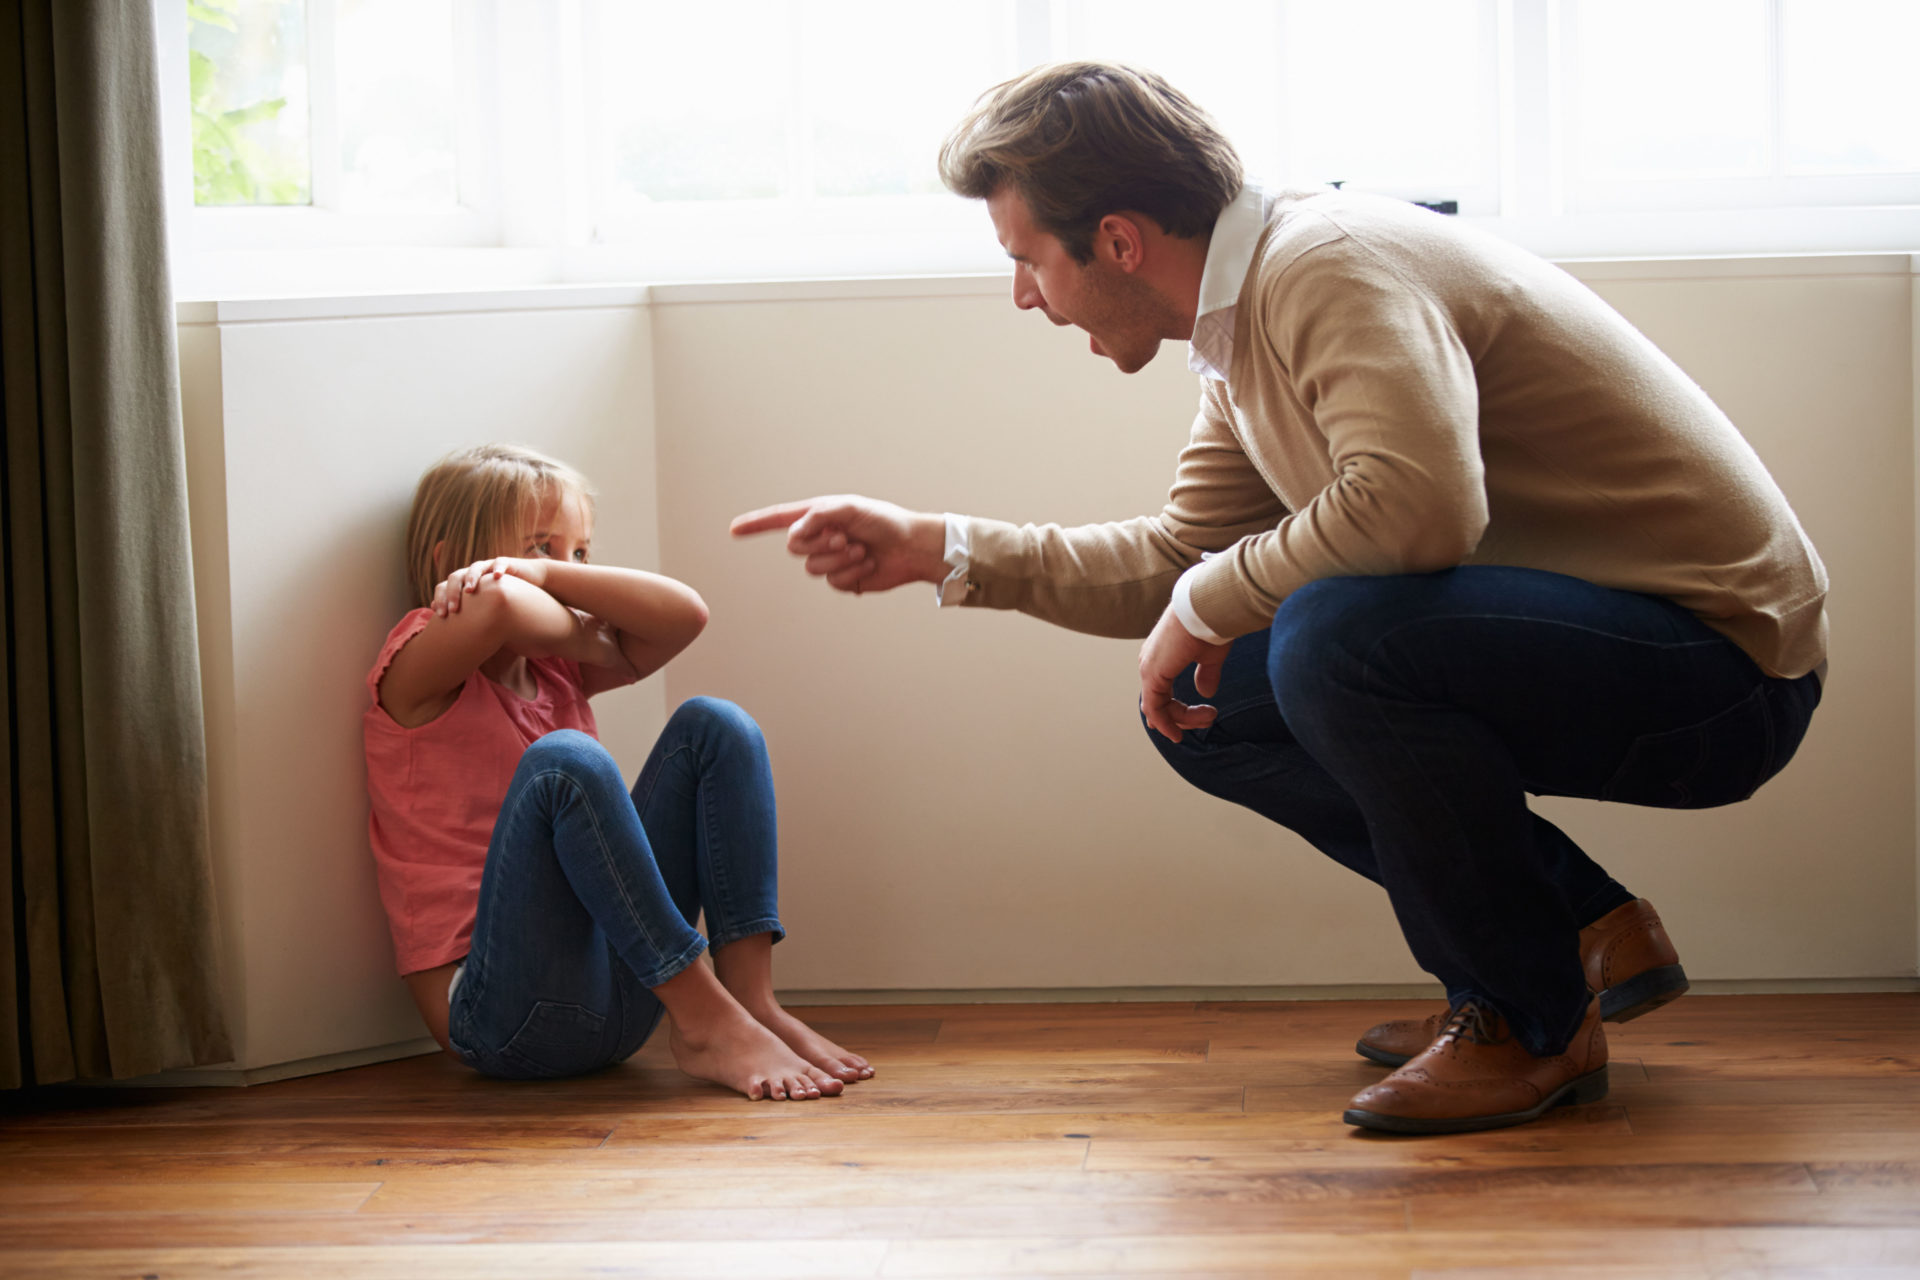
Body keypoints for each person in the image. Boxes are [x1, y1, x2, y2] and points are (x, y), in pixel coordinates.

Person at [730, 63, 1827, 1134]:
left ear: (1118, 239)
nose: (1024, 294)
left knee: (1330, 636)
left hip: (1724, 671)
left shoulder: (1326, 264)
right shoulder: (1238, 321)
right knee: (1210, 704)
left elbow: (1416, 509)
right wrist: (942, 548)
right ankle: (1565, 938)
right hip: (1614, 646)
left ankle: (1533, 1023)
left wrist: (1212, 595)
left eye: (1026, 259)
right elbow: (1182, 556)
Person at [365, 444, 871, 1099]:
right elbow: (495, 609)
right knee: (566, 763)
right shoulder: (415, 668)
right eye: (538, 548)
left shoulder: (553, 671)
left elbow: (685, 613)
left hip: (622, 1001)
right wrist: (583, 630)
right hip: (501, 1017)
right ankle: (708, 1016)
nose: (564, 571)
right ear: (448, 564)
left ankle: (747, 1006)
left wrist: (540, 577)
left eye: (579, 555)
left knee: (718, 726)